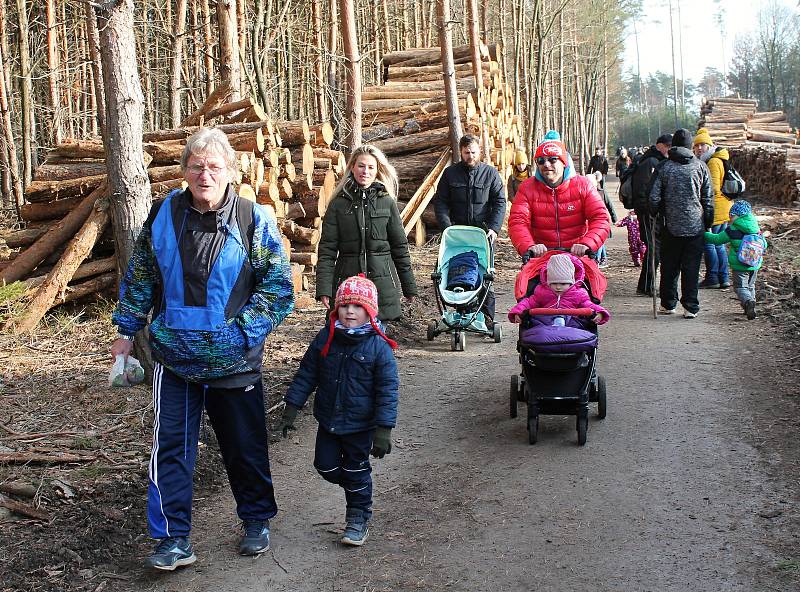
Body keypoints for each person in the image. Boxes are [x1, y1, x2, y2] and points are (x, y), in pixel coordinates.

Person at [110, 128, 295, 569]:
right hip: (173, 359)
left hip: (235, 361)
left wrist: (243, 334)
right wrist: (125, 329)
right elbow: (141, 277)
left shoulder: (255, 219)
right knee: (170, 447)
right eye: (196, 166)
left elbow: (278, 289)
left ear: (230, 171)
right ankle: (172, 538)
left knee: (243, 445)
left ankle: (255, 519)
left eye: (214, 166)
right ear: (184, 172)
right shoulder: (162, 215)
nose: (204, 174)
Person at [279, 275, 398, 547]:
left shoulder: (379, 347)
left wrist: (383, 429)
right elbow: (307, 374)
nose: (350, 312)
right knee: (325, 466)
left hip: (360, 425)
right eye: (344, 306)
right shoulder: (326, 338)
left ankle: (358, 517)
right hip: (329, 420)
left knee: (356, 470)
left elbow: (387, 391)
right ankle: (359, 489)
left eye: (357, 307)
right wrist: (292, 408)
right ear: (336, 309)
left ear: (369, 311)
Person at [316, 145, 417, 321]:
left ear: (377, 170)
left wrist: (409, 287)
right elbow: (327, 251)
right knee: (348, 343)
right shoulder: (337, 204)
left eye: (371, 167)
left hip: (383, 288)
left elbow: (400, 248)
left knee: (376, 342)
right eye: (361, 166)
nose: (365, 171)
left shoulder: (387, 202)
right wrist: (324, 289)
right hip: (348, 287)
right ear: (353, 167)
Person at [434, 134, 506, 326]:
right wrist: (446, 227)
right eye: (466, 153)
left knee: (485, 272)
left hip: (483, 233)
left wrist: (494, 228)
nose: (470, 156)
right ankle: (460, 311)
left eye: (474, 152)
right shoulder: (450, 174)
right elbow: (440, 202)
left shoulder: (490, 174)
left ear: (479, 151)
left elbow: (499, 202)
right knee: (457, 270)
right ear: (461, 152)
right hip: (458, 235)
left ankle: (488, 316)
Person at [509, 130, 610, 261]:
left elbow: (600, 218)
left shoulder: (583, 185)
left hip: (578, 257)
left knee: (597, 281)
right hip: (541, 258)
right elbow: (518, 221)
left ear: (564, 162)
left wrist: (587, 243)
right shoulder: (527, 188)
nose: (546, 164)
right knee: (523, 281)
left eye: (552, 159)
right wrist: (529, 246)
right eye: (541, 160)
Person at [648, 128, 713, 319]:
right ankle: (690, 307)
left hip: (671, 226)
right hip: (695, 226)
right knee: (691, 267)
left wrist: (655, 213)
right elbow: (708, 199)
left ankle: (668, 304)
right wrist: (707, 221)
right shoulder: (701, 167)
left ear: (673, 145)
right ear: (690, 145)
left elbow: (653, 197)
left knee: (669, 266)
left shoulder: (664, 167)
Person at [507, 253, 610, 325]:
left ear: (571, 283)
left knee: (581, 324)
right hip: (544, 324)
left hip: (571, 324)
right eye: (554, 283)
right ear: (548, 282)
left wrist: (600, 312)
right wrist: (518, 312)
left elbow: (589, 305)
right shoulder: (542, 292)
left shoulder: (578, 294)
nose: (558, 287)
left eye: (563, 283)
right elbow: (528, 303)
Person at [704, 200, 765, 320]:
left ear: (737, 215)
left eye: (732, 215)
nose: (730, 217)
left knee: (740, 287)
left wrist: (704, 234)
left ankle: (748, 302)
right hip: (754, 264)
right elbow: (764, 244)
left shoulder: (732, 229)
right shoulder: (755, 228)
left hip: (739, 264)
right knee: (750, 286)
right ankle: (749, 306)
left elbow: (717, 240)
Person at [630, 133, 672, 295]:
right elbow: (643, 191)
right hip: (648, 213)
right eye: (667, 146)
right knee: (653, 247)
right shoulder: (650, 162)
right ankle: (647, 285)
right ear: (659, 145)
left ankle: (645, 285)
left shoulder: (655, 160)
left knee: (654, 248)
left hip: (651, 212)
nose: (669, 149)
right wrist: (651, 210)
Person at [693, 127, 732, 289]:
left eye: (703, 145)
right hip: (723, 207)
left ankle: (713, 277)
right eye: (697, 145)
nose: (700, 148)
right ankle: (723, 278)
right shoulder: (716, 159)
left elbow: (713, 189)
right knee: (719, 244)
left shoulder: (713, 162)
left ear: (709, 146)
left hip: (716, 208)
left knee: (709, 243)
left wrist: (703, 204)